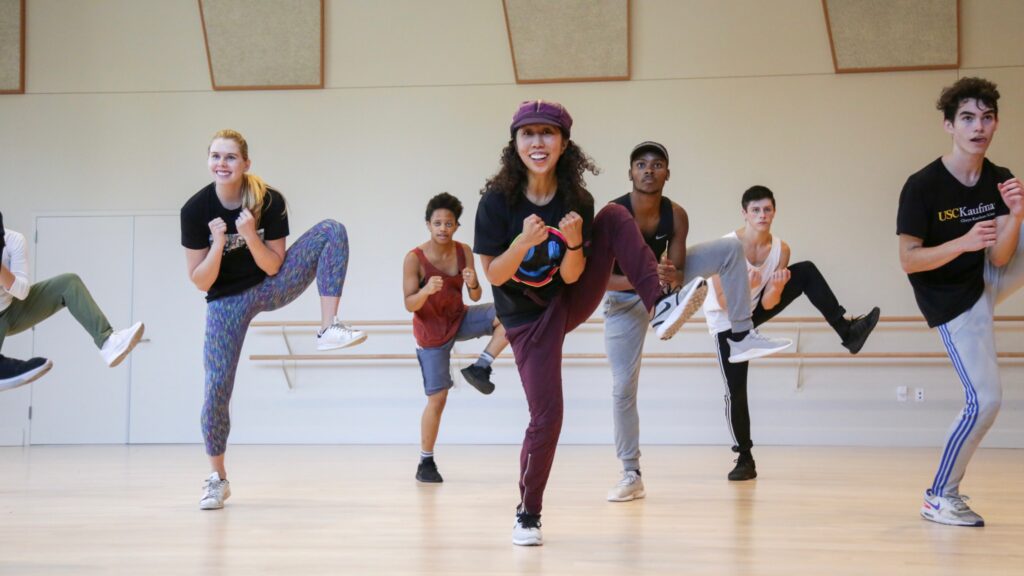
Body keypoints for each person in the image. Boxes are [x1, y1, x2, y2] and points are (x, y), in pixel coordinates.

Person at [474, 101, 707, 546]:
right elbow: (495, 275)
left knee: (616, 217)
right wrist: (524, 241)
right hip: (525, 321)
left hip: (567, 298)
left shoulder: (576, 199)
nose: (538, 143)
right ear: (516, 143)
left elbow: (572, 275)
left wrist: (577, 244)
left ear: (564, 144)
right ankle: (528, 513)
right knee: (547, 417)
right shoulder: (496, 203)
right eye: (529, 134)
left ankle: (659, 305)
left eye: (547, 134)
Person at [181, 129, 367, 510]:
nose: (222, 164)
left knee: (332, 230)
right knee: (216, 386)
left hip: (270, 285)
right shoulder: (195, 211)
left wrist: (249, 234)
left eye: (230, 157)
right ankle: (217, 478)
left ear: (246, 163)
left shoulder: (269, 200)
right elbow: (199, 279)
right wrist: (218, 243)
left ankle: (328, 325)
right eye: (216, 156)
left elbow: (273, 264)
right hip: (225, 302)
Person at [603, 143, 793, 503]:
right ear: (630, 173)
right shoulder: (613, 215)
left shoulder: (676, 214)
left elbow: (674, 271)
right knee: (622, 388)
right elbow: (598, 281)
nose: (648, 170)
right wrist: (645, 278)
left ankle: (740, 333)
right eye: (641, 165)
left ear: (667, 173)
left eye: (657, 165)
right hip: (623, 299)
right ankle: (631, 473)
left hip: (661, 286)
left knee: (729, 249)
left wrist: (667, 282)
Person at [897, 77, 1023, 527]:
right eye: (968, 118)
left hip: (986, 277)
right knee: (984, 401)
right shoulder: (922, 186)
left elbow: (1003, 257)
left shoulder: (999, 178)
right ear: (949, 125)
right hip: (951, 299)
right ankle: (939, 495)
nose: (979, 127)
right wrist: (964, 242)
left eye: (987, 118)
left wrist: (1015, 216)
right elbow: (909, 262)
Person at [703, 185, 880, 481]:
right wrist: (745, 286)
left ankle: (847, 331)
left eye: (767, 209)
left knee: (806, 271)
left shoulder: (780, 249)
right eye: (755, 210)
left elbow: (770, 302)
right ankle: (744, 458)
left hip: (754, 308)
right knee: (736, 391)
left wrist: (777, 286)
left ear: (774, 212)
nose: (762, 215)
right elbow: (723, 302)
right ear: (744, 213)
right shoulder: (726, 248)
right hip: (727, 321)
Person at [403, 192, 508, 483]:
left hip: (458, 318)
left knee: (511, 314)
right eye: (437, 223)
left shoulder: (463, 251)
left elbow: (475, 295)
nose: (442, 228)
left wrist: (474, 284)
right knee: (438, 399)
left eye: (448, 223)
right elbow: (409, 303)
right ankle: (426, 462)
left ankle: (481, 366)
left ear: (456, 226)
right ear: (428, 224)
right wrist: (425, 291)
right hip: (431, 333)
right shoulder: (415, 259)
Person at [0, 210, 144, 392]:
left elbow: (21, 291)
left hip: (13, 309)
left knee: (68, 282)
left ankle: (108, 342)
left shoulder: (14, 241)